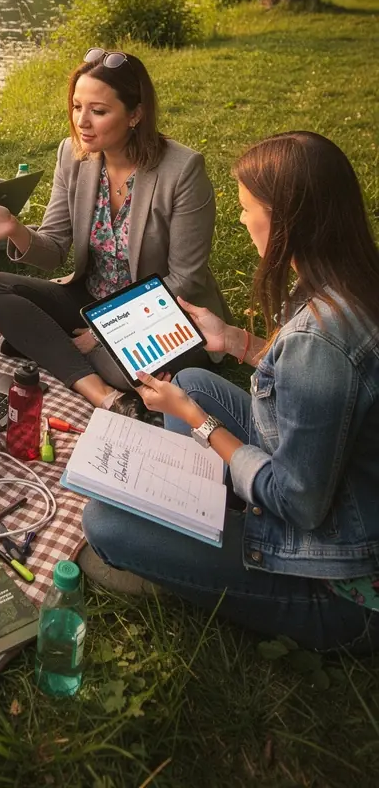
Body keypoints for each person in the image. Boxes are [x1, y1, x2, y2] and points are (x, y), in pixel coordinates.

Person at [81, 132, 379, 655]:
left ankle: (187, 562)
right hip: (345, 503)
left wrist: (195, 419)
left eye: (248, 210)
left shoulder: (320, 338)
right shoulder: (351, 286)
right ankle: (200, 521)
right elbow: (326, 389)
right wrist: (234, 342)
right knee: (194, 378)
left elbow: (298, 503)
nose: (242, 222)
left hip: (338, 583)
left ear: (286, 220)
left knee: (103, 522)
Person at [0, 49, 227, 410]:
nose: (82, 121)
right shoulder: (72, 154)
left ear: (135, 115)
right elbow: (53, 250)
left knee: (122, 370)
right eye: (77, 106)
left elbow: (186, 279)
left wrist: (105, 332)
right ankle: (99, 392)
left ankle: (52, 347)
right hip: (89, 298)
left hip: (162, 313)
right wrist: (14, 228)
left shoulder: (182, 170)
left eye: (98, 111)